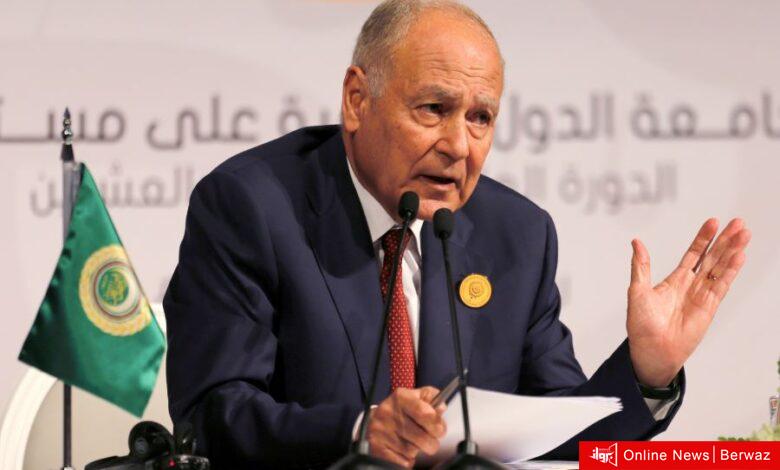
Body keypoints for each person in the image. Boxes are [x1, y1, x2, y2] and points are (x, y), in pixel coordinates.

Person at [163, 1, 751, 468]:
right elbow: (212, 416)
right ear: (357, 99)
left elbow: (559, 442)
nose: (458, 146)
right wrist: (360, 431)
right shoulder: (252, 206)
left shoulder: (516, 236)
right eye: (432, 108)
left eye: (480, 118)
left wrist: (646, 371)